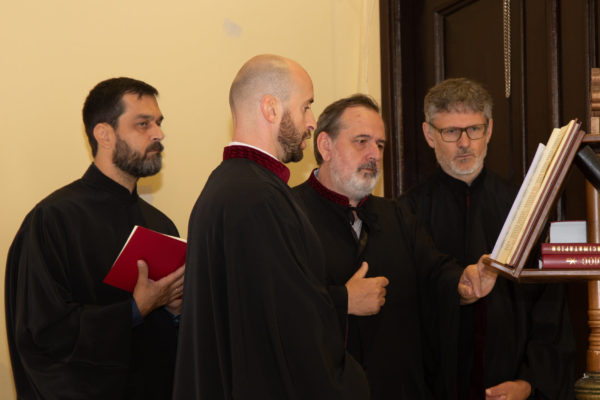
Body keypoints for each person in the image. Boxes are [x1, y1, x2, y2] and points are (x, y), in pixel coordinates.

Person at [172, 55, 369, 399]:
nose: (312, 122)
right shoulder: (259, 198)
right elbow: (293, 330)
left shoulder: (225, 186)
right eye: (306, 106)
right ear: (271, 108)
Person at [293, 94, 498, 399]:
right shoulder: (288, 214)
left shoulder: (395, 215)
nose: (374, 155)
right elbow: (276, 305)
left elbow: (435, 271)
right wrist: (343, 301)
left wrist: (463, 283)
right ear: (325, 146)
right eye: (361, 142)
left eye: (380, 145)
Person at [5, 77, 185, 400]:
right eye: (143, 124)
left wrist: (174, 311)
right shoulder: (52, 220)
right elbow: (42, 334)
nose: (159, 134)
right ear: (104, 134)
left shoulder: (161, 225)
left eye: (158, 123)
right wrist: (134, 310)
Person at [399, 78, 576, 399]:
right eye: (451, 132)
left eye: (474, 129)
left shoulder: (524, 207)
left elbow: (550, 307)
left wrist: (529, 383)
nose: (465, 143)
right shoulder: (406, 213)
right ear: (428, 134)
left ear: (490, 129)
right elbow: (402, 314)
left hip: (512, 386)